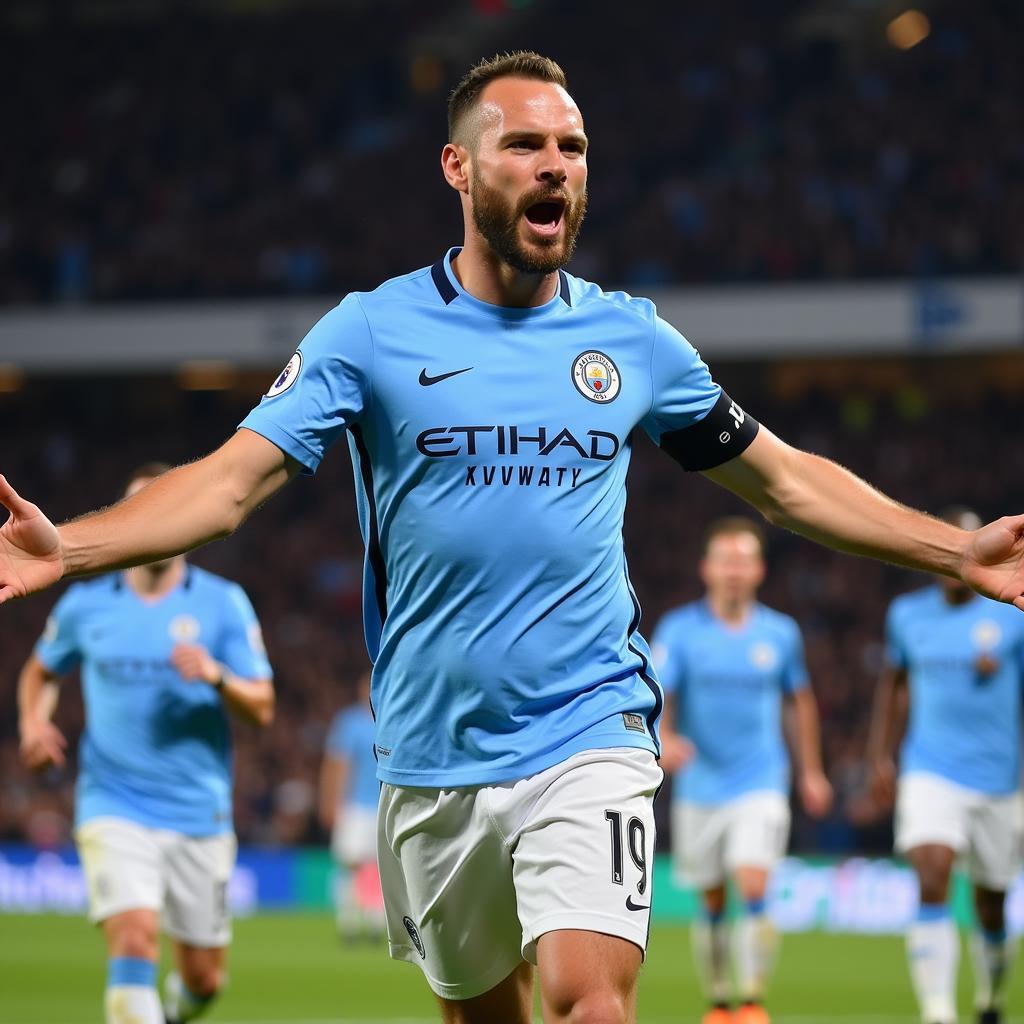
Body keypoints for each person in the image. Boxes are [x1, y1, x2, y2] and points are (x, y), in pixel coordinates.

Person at [3, 52, 1024, 1024]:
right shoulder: (370, 332)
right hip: (429, 754)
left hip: (589, 729)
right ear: (458, 165)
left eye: (572, 149)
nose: (556, 167)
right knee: (479, 1009)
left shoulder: (630, 340)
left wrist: (953, 550)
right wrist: (71, 551)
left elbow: (787, 482)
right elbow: (228, 486)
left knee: (591, 997)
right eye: (526, 145)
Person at [15, 463, 275, 1024]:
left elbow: (263, 707)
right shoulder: (86, 605)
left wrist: (216, 676)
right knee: (134, 940)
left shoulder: (223, 603)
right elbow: (41, 672)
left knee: (205, 978)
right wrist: (34, 722)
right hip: (113, 802)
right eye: (142, 512)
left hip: (197, 811)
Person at [652, 517, 832, 1024]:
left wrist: (810, 771)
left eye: (744, 560)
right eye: (725, 560)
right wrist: (664, 737)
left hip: (761, 780)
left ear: (759, 570)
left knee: (753, 883)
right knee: (710, 896)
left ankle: (752, 1000)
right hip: (702, 783)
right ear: (706, 568)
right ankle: (718, 1003)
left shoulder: (779, 633)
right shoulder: (680, 630)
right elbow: (660, 692)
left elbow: (799, 702)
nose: (734, 570)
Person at [867, 508, 1024, 1024]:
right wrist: (879, 754)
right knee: (931, 871)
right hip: (929, 769)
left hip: (1000, 779)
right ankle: (938, 1014)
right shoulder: (907, 616)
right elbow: (892, 684)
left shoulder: (1011, 612)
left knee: (991, 905)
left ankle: (991, 997)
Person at [319, 672, 384, 940]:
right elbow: (336, 765)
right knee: (349, 864)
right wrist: (330, 801)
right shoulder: (349, 722)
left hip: (384, 806)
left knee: (380, 868)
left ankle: (376, 924)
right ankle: (348, 923)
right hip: (354, 807)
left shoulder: (390, 720)